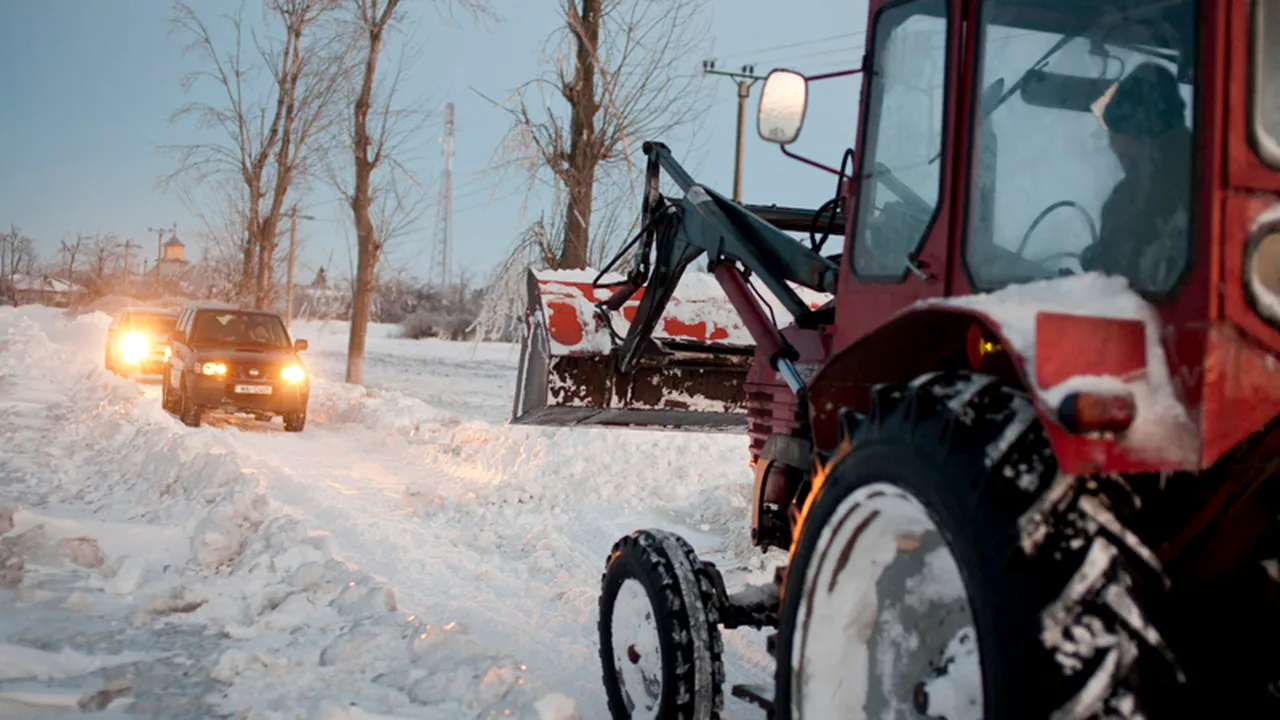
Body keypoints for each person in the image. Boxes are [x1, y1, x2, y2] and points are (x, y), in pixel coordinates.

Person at [1081, 62, 1193, 292]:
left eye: (1128, 158)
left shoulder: (1156, 191)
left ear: (1147, 138)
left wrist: (1099, 261)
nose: (1125, 168)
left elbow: (1129, 277)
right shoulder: (1207, 168)